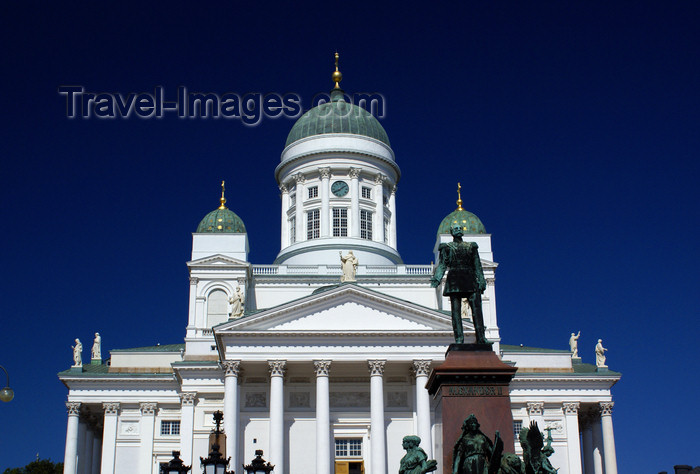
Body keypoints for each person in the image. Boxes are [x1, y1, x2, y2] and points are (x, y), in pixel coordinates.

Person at [431, 224, 487, 344]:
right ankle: (459, 339)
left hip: (470, 277)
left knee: (477, 309)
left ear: (462, 231)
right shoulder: (447, 248)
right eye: (455, 229)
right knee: (455, 311)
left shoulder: (471, 247)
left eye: (460, 229)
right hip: (454, 278)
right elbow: (442, 264)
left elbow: (477, 265)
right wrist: (437, 279)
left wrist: (481, 280)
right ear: (451, 232)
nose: (458, 230)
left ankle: (481, 337)